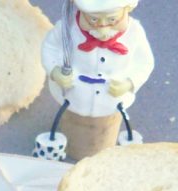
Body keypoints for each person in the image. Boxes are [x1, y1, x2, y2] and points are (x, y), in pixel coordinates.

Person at [41, 1, 154, 159]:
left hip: (112, 99)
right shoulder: (67, 29)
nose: (103, 27)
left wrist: (129, 83)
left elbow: (145, 62)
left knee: (113, 131)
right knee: (67, 124)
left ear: (126, 10)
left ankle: (124, 147)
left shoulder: (135, 33)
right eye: (93, 19)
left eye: (112, 19)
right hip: (74, 94)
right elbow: (50, 48)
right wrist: (55, 71)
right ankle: (54, 147)